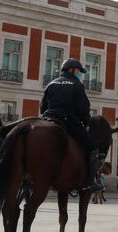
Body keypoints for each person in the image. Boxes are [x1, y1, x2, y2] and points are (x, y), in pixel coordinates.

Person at [41, 58, 101, 192]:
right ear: (72, 70)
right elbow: (83, 108)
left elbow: (43, 106)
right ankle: (90, 182)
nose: (80, 73)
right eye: (79, 71)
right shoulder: (76, 84)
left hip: (48, 119)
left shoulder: (51, 84)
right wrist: (86, 123)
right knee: (93, 147)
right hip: (68, 121)